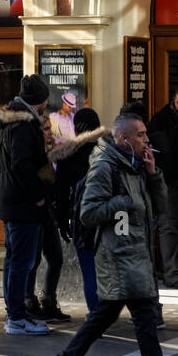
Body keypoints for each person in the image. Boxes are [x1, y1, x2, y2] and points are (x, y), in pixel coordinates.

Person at [43, 110, 178, 356]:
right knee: (146, 321)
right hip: (119, 256)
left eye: (145, 134)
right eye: (140, 135)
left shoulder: (135, 163)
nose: (146, 139)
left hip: (135, 253)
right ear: (123, 138)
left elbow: (158, 207)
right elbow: (88, 213)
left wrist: (153, 175)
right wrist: (120, 202)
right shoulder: (104, 166)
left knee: (103, 316)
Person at [0, 74, 53, 335]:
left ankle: (13, 312)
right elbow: (22, 165)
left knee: (14, 259)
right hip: (23, 204)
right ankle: (16, 317)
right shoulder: (23, 124)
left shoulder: (12, 119)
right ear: (39, 100)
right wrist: (38, 195)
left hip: (11, 200)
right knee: (22, 261)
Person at [53, 107, 109, 312]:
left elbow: (60, 193)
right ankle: (107, 310)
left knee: (88, 269)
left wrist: (62, 222)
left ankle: (96, 313)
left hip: (82, 219)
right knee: (107, 268)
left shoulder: (68, 155)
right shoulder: (107, 151)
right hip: (107, 217)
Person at [148, 85, 178, 288]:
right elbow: (162, 152)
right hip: (169, 179)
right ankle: (172, 273)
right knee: (170, 226)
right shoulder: (162, 121)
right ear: (172, 102)